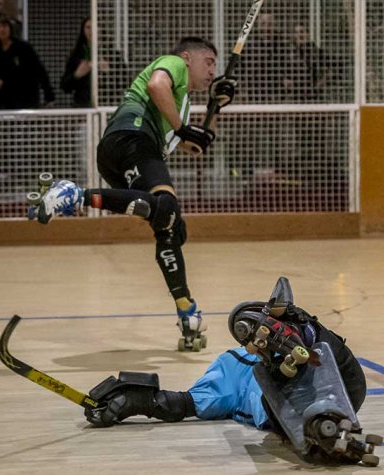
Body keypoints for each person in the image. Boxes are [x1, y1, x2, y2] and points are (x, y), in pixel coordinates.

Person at [28, 37, 237, 351]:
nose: (212, 70)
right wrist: (181, 128)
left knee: (169, 223)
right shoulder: (173, 64)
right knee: (166, 209)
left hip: (123, 150)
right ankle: (74, 194)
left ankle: (186, 311)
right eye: (208, 61)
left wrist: (215, 107)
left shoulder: (180, 102)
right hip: (133, 137)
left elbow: (196, 145)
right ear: (187, 57)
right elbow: (156, 86)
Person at [82, 277, 371, 464]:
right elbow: (181, 403)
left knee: (320, 358)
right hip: (283, 402)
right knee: (284, 387)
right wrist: (133, 400)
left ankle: (303, 329)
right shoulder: (228, 371)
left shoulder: (227, 367)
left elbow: (183, 403)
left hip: (323, 371)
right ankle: (295, 352)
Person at [0, 15, 55, 110]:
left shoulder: (23, 47)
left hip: (27, 97)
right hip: (7, 100)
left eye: (5, 26)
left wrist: (49, 95)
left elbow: (39, 70)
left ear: (10, 28)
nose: (2, 30)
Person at [61, 17, 128, 107]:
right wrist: (77, 75)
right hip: (82, 106)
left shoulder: (113, 54)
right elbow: (65, 87)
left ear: (101, 29)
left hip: (106, 104)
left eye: (95, 27)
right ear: (83, 30)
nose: (91, 31)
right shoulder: (76, 55)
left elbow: (125, 81)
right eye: (88, 27)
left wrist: (109, 73)